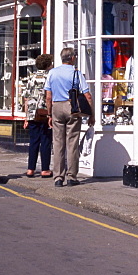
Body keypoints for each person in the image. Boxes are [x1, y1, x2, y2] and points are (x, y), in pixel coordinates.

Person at [45, 47, 94, 187]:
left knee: (58, 143)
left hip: (57, 107)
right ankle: (72, 177)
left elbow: (48, 97)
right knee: (72, 143)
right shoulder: (76, 73)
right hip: (71, 107)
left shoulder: (52, 73)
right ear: (72, 58)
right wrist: (91, 114)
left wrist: (49, 114)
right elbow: (87, 96)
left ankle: (58, 178)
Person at [21, 53, 53, 178]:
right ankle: (45, 169)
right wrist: (51, 113)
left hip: (32, 113)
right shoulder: (50, 77)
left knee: (33, 141)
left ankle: (30, 169)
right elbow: (50, 96)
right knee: (45, 141)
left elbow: (26, 97)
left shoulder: (31, 77)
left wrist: (26, 116)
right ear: (48, 65)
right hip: (45, 112)